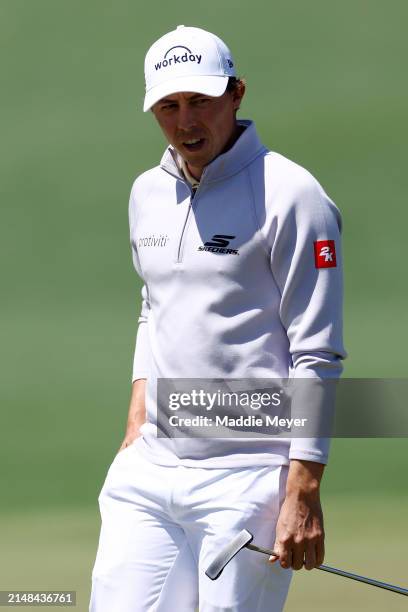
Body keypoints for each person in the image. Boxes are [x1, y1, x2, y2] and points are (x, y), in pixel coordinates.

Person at [89, 25, 347, 612]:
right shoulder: (146, 193)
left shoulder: (292, 195)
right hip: (149, 471)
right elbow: (152, 306)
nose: (185, 122)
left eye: (200, 101)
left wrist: (302, 491)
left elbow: (318, 351)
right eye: (169, 106)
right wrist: (137, 423)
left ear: (236, 93)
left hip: (247, 477)